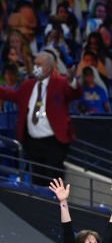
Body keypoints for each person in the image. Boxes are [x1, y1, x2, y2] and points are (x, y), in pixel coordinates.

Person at [0, 52, 82, 184]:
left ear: (49, 68)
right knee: (37, 179)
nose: (35, 67)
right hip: (32, 141)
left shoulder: (60, 83)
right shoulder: (27, 85)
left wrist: (72, 80)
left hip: (54, 142)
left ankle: (57, 202)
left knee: (54, 179)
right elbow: (12, 95)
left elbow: (75, 93)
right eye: (34, 64)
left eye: (39, 65)